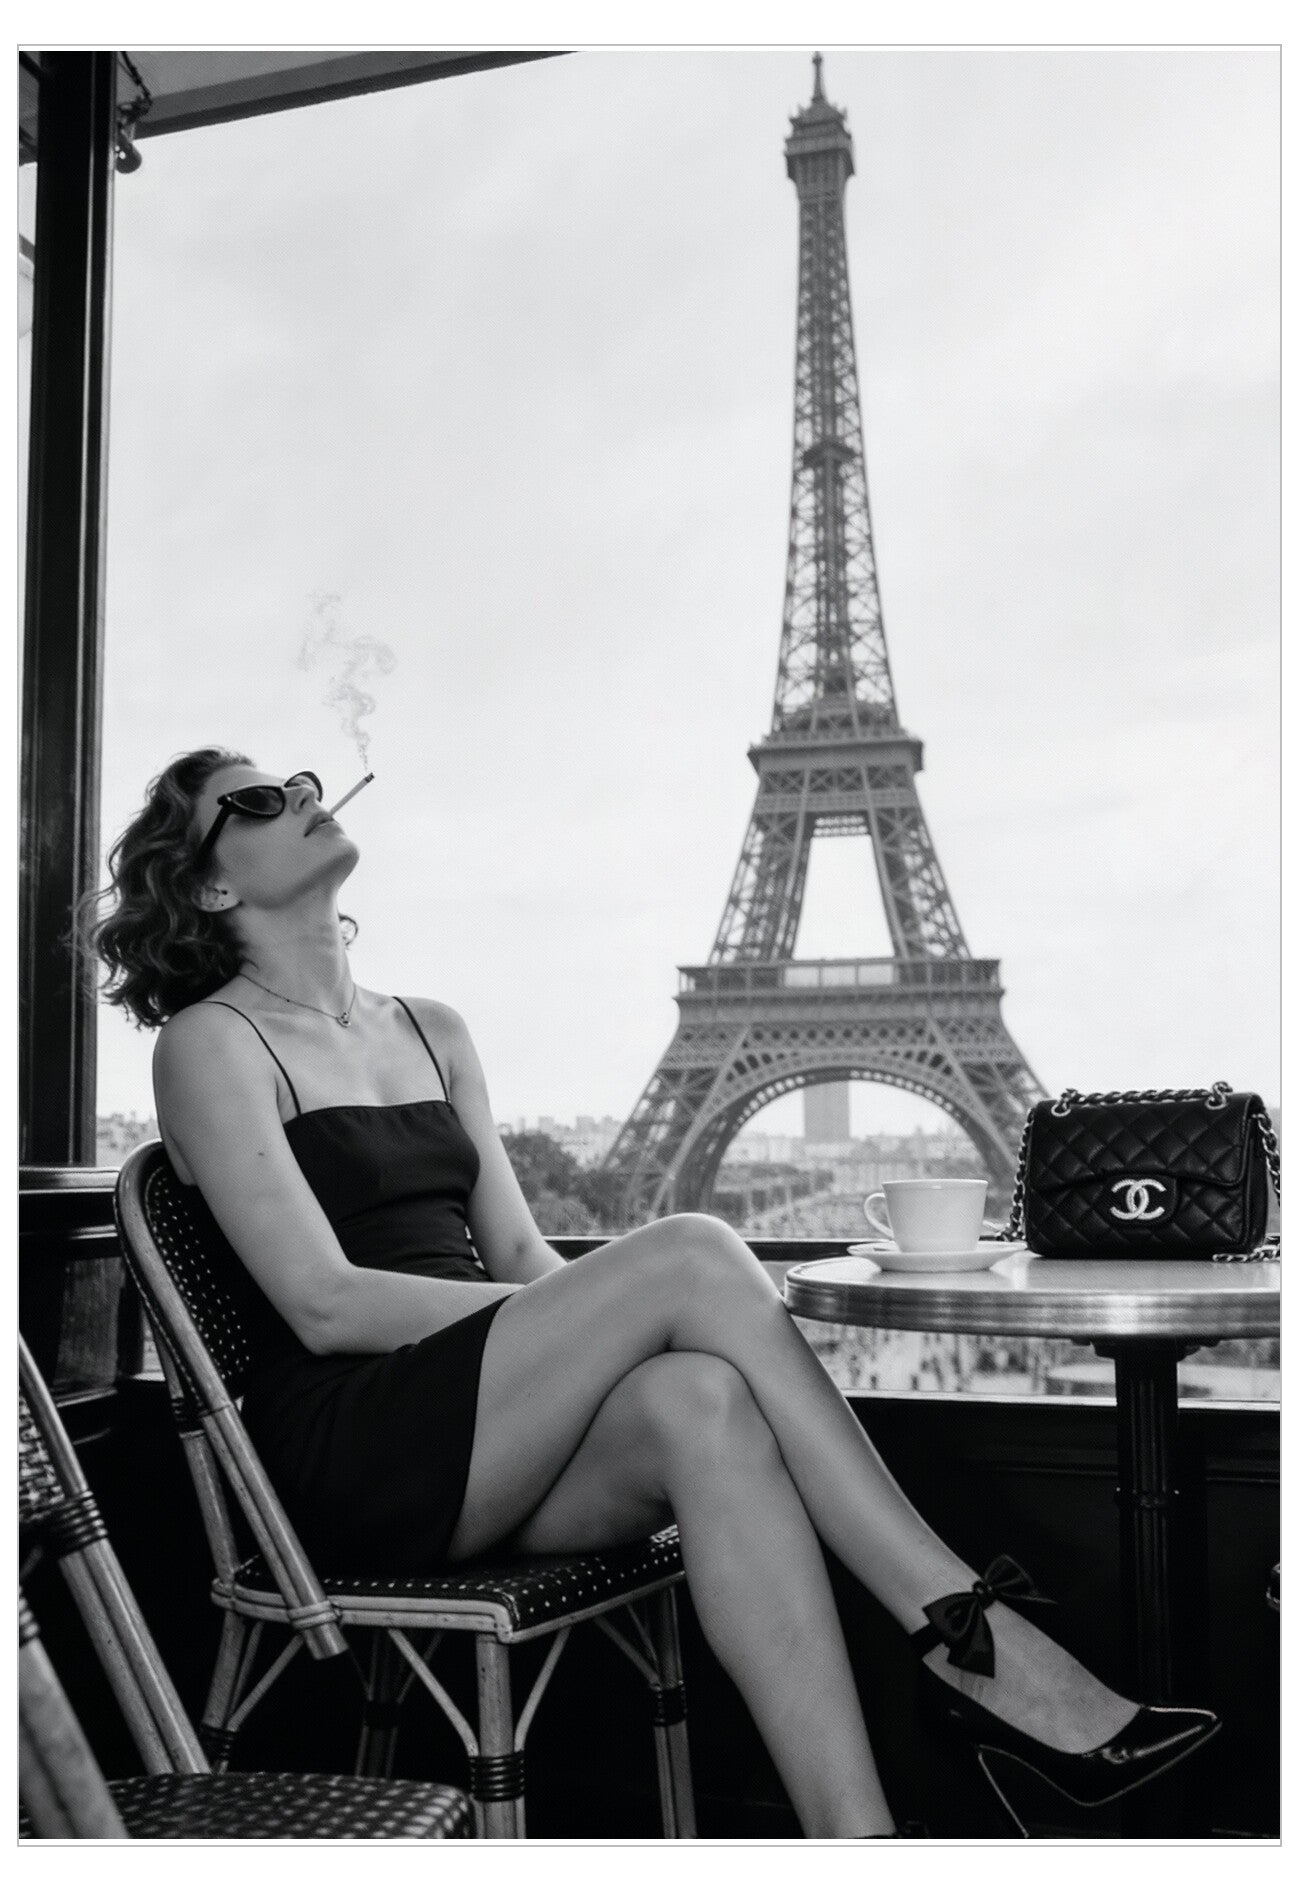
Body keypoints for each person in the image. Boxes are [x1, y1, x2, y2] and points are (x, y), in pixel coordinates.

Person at [86, 748, 1219, 1839]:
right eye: (255, 797)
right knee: (688, 1253)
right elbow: (323, 1303)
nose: (300, 793)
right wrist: (610, 1307)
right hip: (352, 1445)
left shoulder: (432, 1029)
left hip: (485, 1422)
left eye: (305, 781)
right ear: (209, 880)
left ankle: (857, 1839)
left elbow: (526, 1261)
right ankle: (969, 1631)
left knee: (701, 1401)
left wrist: (601, 1320)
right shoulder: (208, 1043)